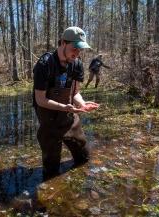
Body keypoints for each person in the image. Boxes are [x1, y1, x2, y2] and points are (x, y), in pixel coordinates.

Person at [33, 26, 99, 180]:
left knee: (84, 157)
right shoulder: (45, 65)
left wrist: (81, 104)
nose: (77, 53)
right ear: (63, 42)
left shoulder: (76, 64)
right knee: (51, 170)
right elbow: (40, 100)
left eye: (80, 49)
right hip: (48, 120)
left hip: (69, 117)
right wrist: (64, 107)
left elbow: (75, 92)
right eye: (74, 48)